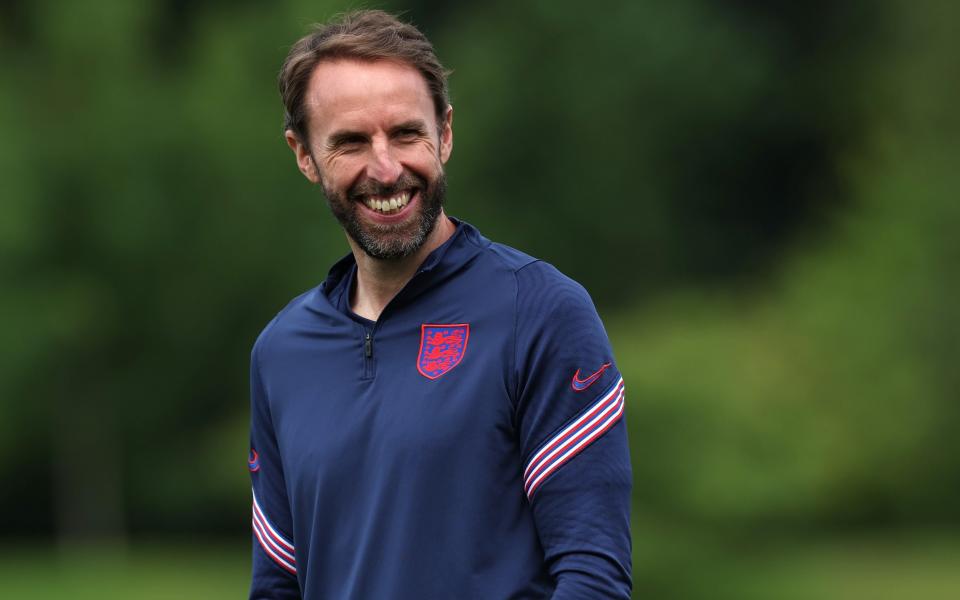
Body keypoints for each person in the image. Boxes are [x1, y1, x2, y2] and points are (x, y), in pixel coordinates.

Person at [248, 10, 632, 599]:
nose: (386, 168)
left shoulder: (541, 311)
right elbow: (277, 587)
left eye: (406, 133)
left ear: (445, 133)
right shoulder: (281, 352)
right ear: (303, 155)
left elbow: (592, 579)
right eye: (351, 141)